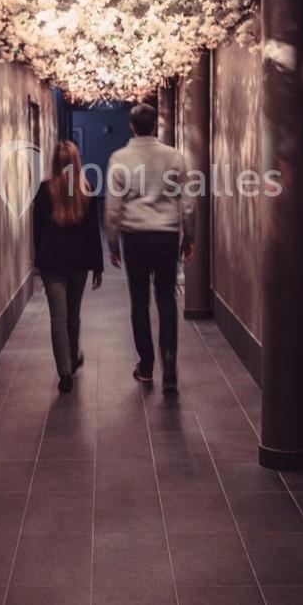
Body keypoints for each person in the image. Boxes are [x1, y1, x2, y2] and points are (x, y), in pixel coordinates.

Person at [105, 103, 195, 392]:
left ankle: (146, 365)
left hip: (135, 235)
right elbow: (188, 202)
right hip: (167, 234)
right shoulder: (174, 157)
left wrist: (112, 242)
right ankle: (169, 358)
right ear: (155, 124)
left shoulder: (120, 158)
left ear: (131, 126)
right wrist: (188, 237)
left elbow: (112, 206)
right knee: (166, 298)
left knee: (140, 301)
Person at [33, 140, 104, 393]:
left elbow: (37, 231)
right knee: (73, 314)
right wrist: (98, 266)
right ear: (76, 162)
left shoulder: (43, 191)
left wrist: (37, 262)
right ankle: (72, 359)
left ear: (54, 162)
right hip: (78, 262)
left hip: (52, 261)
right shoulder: (86, 190)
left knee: (58, 317)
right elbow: (93, 233)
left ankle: (64, 371)